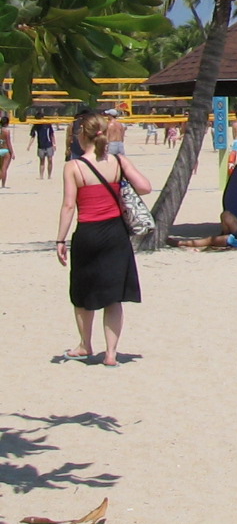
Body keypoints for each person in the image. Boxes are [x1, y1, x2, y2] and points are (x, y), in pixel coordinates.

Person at [56, 112, 151, 365]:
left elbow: (68, 207)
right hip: (115, 234)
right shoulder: (119, 161)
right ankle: (110, 354)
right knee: (113, 296)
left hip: (88, 232)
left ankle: (85, 345)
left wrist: (60, 240)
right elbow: (145, 187)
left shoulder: (74, 166)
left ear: (80, 136)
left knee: (82, 293)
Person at [0, 113, 12, 188]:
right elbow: (8, 143)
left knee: (0, 168)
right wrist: (12, 152)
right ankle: (3, 185)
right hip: (5, 150)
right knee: (4, 168)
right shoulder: (6, 131)